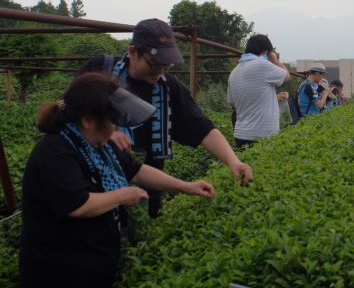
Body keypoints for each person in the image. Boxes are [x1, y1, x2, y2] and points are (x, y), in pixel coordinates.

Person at [20, 73, 215, 288]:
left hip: (95, 265)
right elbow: (77, 205)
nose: (116, 127)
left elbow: (137, 171)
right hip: (62, 277)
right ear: (89, 120)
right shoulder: (56, 152)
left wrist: (185, 186)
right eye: (112, 120)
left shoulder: (99, 143)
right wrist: (123, 195)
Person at [78, 18, 252, 217]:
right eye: (154, 64)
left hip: (147, 191)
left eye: (166, 65)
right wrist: (107, 134)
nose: (160, 71)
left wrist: (233, 161)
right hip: (93, 190)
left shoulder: (168, 88)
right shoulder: (101, 69)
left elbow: (201, 128)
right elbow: (71, 112)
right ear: (133, 52)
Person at [227, 34, 290, 146]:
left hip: (240, 134)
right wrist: (274, 59)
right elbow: (286, 76)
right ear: (266, 52)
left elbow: (232, 103)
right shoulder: (262, 64)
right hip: (262, 135)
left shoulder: (234, 72)